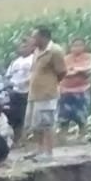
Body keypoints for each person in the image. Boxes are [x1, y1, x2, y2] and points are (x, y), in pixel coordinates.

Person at [26, 27, 66, 161]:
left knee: (47, 124)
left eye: (34, 37)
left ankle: (49, 153)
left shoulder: (55, 51)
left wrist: (50, 84)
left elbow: (62, 72)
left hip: (47, 94)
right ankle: (39, 150)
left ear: (43, 37)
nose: (32, 40)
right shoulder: (37, 51)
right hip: (34, 93)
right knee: (36, 125)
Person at [58, 38, 91, 136]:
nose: (77, 48)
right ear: (70, 47)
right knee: (64, 116)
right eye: (74, 45)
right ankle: (62, 137)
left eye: (80, 45)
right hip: (65, 91)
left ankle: (82, 136)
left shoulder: (89, 57)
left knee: (82, 115)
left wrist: (74, 70)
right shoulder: (66, 58)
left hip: (82, 90)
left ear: (84, 47)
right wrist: (77, 71)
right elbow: (62, 71)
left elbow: (88, 69)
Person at [5, 38, 35, 139]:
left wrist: (25, 82)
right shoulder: (15, 62)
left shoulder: (33, 59)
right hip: (15, 92)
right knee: (15, 116)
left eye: (26, 46)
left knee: (25, 115)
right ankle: (17, 138)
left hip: (28, 91)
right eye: (21, 47)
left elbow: (35, 75)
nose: (23, 48)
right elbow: (8, 75)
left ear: (32, 47)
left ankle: (25, 138)